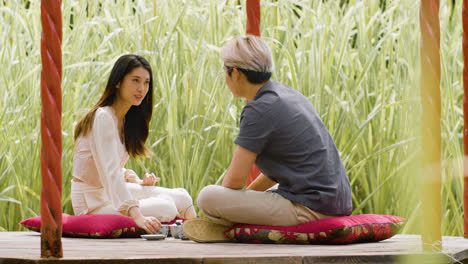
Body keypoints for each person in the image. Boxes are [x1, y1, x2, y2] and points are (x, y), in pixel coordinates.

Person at [182, 36, 352, 242]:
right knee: (261, 193)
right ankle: (237, 223)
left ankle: (228, 229)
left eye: (224, 70)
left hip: (311, 208)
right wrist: (243, 203)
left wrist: (226, 210)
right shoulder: (288, 95)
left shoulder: (259, 109)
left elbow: (234, 182)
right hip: (333, 202)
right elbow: (275, 173)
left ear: (235, 73)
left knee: (208, 197)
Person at [71, 54, 196, 234]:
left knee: (182, 196)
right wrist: (137, 215)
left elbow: (111, 165)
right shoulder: (103, 117)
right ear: (118, 82)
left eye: (146, 83)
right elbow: (110, 171)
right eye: (135, 80)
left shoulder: (126, 118)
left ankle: (199, 233)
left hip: (110, 192)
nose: (141, 88)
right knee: (166, 207)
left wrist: (136, 181)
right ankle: (193, 235)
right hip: (92, 202)